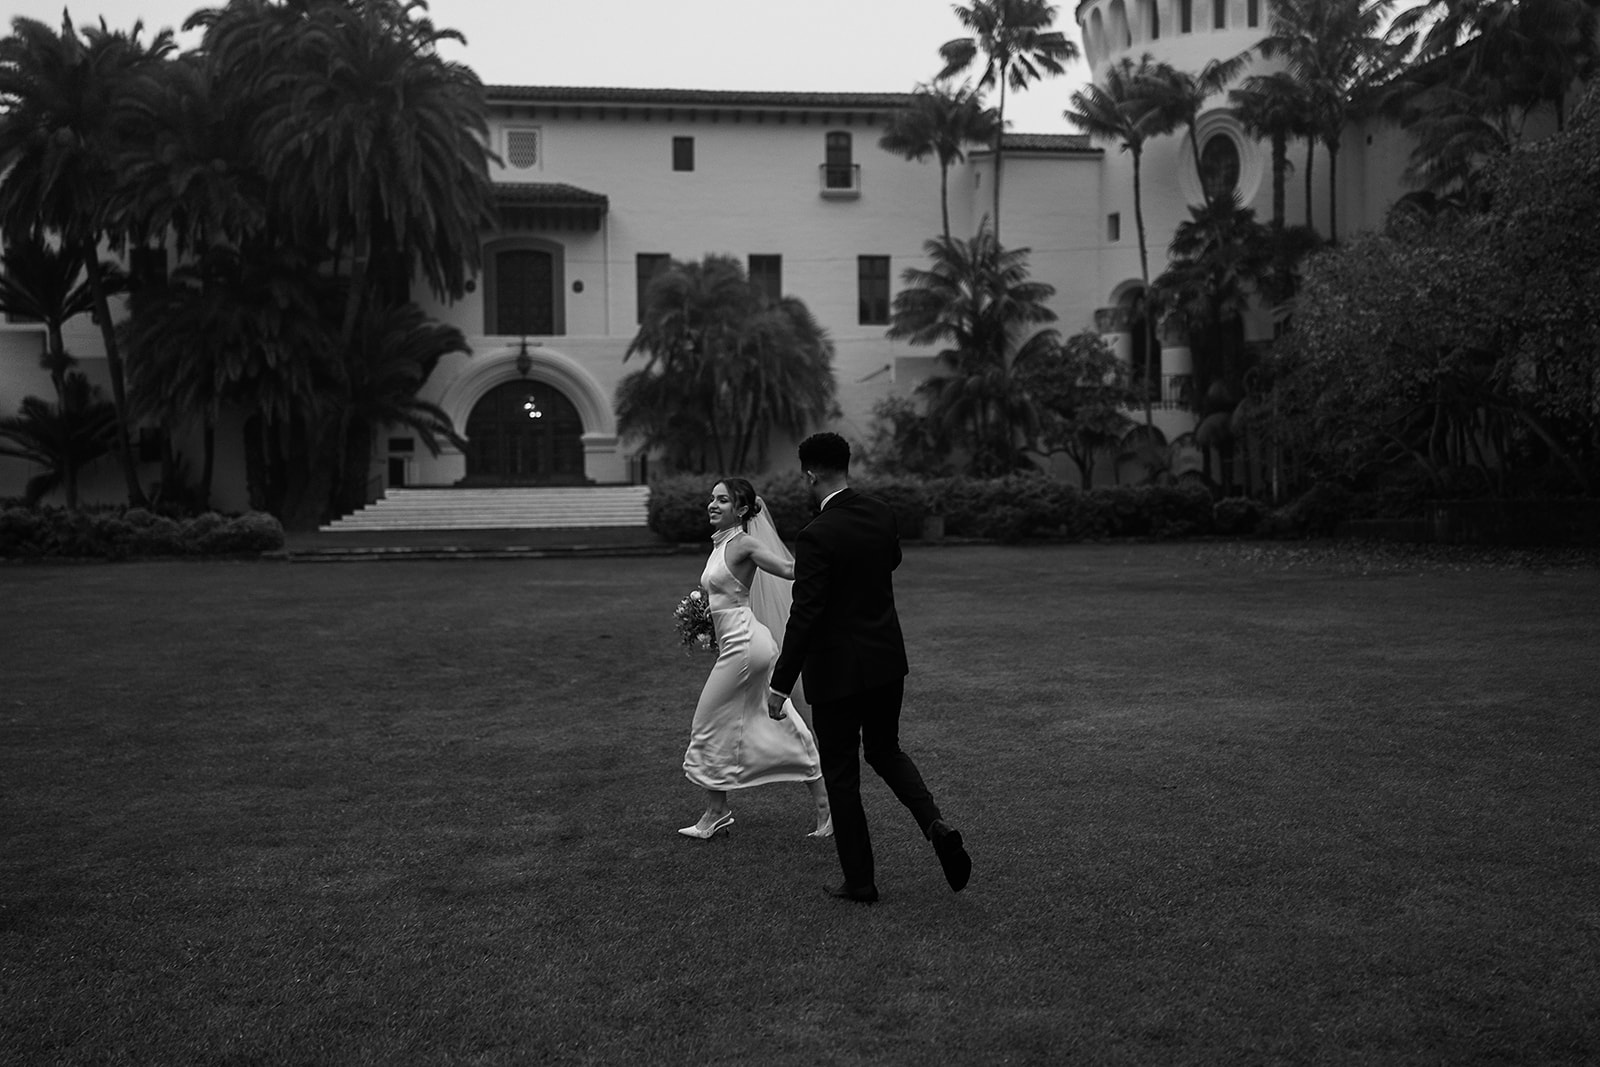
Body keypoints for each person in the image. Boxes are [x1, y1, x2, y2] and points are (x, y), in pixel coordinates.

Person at [766, 433, 971, 903]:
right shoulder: (881, 513)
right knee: (885, 749)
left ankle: (860, 881)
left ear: (811, 474)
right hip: (884, 662)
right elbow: (892, 560)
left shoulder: (816, 534)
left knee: (841, 774)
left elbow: (806, 612)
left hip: (837, 673)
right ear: (846, 466)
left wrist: (781, 683)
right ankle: (934, 824)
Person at [679, 477, 832, 840]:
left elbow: (789, 570)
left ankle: (717, 812)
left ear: (742, 509)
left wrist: (829, 555)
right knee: (777, 719)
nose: (712, 505)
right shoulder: (721, 544)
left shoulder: (745, 543)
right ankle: (825, 805)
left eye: (723, 501)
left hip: (746, 647)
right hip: (737, 645)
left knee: (706, 722)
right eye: (711, 499)